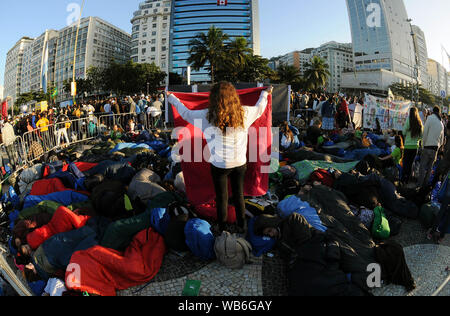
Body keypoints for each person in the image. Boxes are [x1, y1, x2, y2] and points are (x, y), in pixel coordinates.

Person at [168, 83, 273, 234]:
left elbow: (185, 113)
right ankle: (242, 225)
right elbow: (260, 107)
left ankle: (223, 228)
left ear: (214, 98)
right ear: (234, 98)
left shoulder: (206, 115)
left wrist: (172, 98)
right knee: (239, 195)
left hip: (219, 165)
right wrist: (266, 93)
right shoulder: (244, 113)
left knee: (222, 198)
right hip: (239, 163)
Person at [418, 106, 445, 189]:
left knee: (422, 167)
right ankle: (425, 186)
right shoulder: (441, 123)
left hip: (427, 147)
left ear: (433, 111)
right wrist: (438, 146)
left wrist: (423, 144)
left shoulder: (430, 118)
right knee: (429, 169)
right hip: (435, 149)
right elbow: (442, 139)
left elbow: (425, 132)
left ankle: (419, 186)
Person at [401, 107, 423, 185]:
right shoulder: (419, 122)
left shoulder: (408, 120)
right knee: (410, 164)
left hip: (407, 146)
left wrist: (407, 135)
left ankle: (403, 179)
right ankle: (407, 180)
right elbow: (421, 136)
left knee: (405, 163)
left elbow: (403, 132)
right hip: (415, 147)